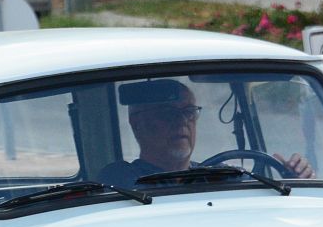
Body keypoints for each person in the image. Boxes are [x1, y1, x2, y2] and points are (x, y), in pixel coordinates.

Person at [98, 80, 312, 187]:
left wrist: (297, 181)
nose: (182, 122)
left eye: (188, 112)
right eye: (168, 114)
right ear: (138, 124)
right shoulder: (123, 179)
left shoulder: (219, 175)